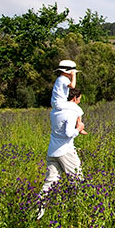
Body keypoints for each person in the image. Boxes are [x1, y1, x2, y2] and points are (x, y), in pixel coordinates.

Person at [37, 88, 86, 219]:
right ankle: (78, 211)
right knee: (77, 180)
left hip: (52, 151)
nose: (79, 101)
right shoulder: (70, 112)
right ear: (74, 99)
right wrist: (79, 129)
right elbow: (69, 133)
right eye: (79, 99)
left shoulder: (55, 110)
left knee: (50, 182)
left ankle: (38, 210)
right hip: (66, 151)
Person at [51, 59, 85, 134]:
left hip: (56, 103)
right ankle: (79, 126)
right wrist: (73, 75)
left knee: (75, 109)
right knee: (78, 109)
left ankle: (78, 125)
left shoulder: (59, 79)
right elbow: (73, 86)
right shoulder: (63, 79)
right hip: (61, 103)